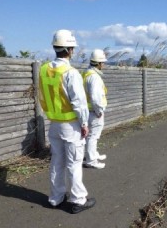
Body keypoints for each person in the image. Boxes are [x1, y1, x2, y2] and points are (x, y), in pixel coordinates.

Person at [39, 29, 95, 214]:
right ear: (70, 49)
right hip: (71, 125)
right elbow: (79, 103)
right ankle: (78, 200)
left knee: (57, 161)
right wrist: (85, 124)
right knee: (74, 163)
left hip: (54, 124)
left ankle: (55, 198)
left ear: (55, 47)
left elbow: (42, 98)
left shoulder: (44, 70)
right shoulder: (70, 73)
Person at [81, 49, 108, 169]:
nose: (104, 65)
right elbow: (95, 97)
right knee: (93, 136)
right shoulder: (95, 78)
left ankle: (93, 154)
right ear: (98, 63)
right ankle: (91, 160)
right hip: (94, 111)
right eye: (103, 62)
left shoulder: (86, 74)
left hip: (87, 110)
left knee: (89, 136)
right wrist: (99, 111)